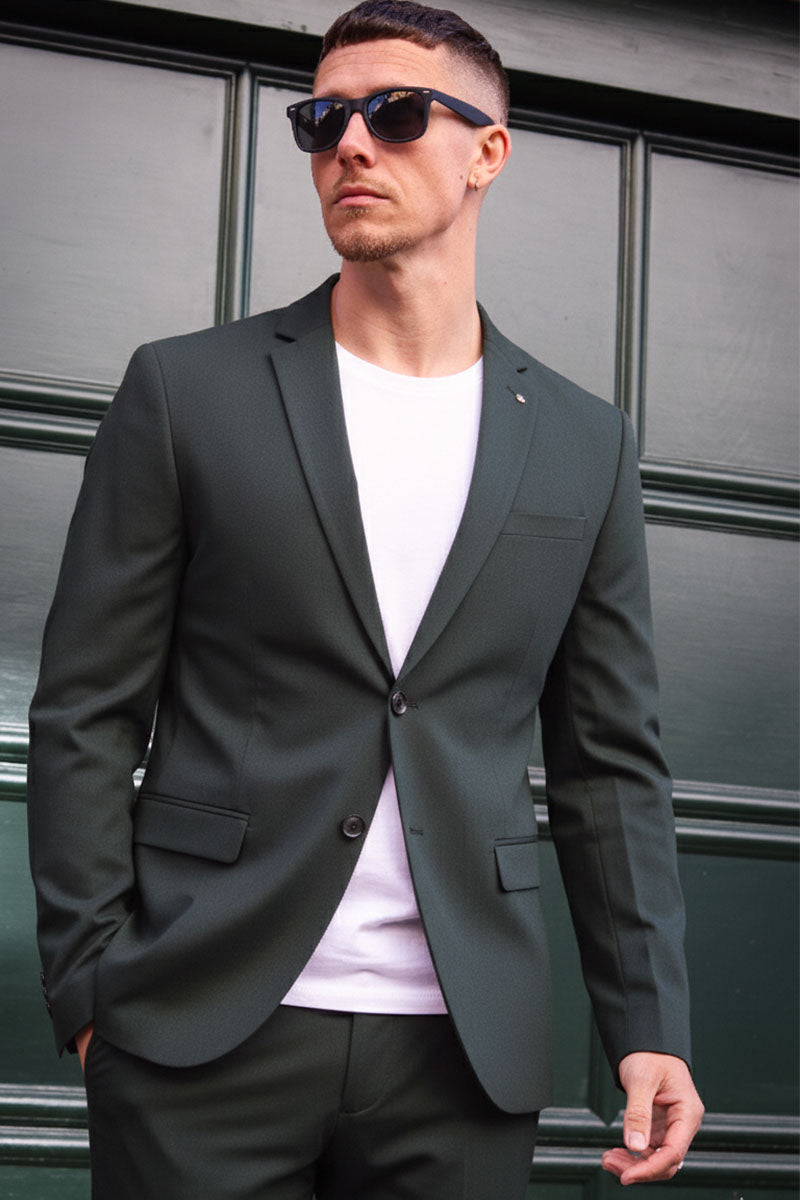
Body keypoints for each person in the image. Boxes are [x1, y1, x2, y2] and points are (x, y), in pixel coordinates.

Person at [27, 1, 704, 1196]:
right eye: (322, 119)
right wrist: (92, 993)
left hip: (462, 1053)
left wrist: (645, 1021)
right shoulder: (186, 393)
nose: (349, 143)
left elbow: (607, 763)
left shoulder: (583, 444)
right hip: (198, 1032)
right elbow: (86, 710)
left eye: (394, 114)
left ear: (486, 151)